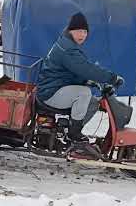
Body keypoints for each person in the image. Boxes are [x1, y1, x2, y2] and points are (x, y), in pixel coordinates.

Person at [36, 12, 124, 142]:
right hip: (51, 92)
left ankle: (69, 129)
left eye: (85, 31)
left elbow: (71, 72)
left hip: (55, 87)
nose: (82, 35)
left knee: (93, 102)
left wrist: (87, 80)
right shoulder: (68, 49)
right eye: (78, 31)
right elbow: (86, 69)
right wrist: (112, 78)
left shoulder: (66, 43)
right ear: (70, 31)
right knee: (84, 93)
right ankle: (74, 133)